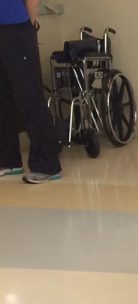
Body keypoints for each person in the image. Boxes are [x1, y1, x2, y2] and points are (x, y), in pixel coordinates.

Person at [0, 0, 62, 184]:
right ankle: (8, 160)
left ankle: (47, 164)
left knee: (29, 95)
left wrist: (29, 25)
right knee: (2, 98)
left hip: (17, 27)